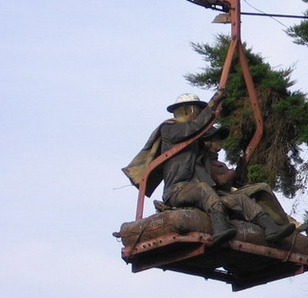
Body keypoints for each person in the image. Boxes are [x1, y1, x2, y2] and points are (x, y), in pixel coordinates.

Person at [124, 92, 295, 247]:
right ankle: (220, 228)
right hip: (177, 190)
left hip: (201, 193)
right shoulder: (170, 129)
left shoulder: (198, 144)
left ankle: (270, 228)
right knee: (203, 189)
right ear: (187, 110)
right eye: (196, 110)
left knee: (239, 199)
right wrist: (212, 105)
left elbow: (208, 148)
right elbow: (192, 129)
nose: (197, 114)